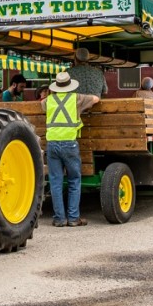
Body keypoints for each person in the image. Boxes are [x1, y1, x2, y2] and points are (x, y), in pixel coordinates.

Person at [41, 70, 100, 227]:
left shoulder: (48, 101)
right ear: (69, 86)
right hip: (69, 144)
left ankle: (59, 219)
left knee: (55, 182)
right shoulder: (77, 99)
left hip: (52, 144)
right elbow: (96, 99)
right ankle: (73, 218)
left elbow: (42, 105)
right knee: (74, 180)